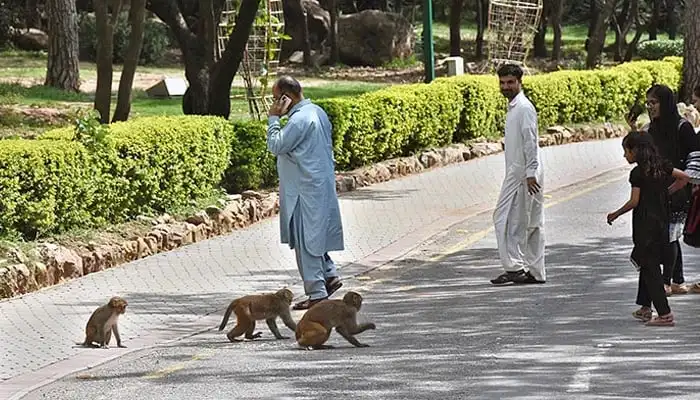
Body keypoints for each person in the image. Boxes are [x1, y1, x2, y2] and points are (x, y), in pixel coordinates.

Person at [266, 76, 344, 310]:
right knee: (316, 235)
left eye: (275, 99)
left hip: (303, 189)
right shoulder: (316, 112)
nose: (274, 103)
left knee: (305, 240)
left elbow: (276, 145)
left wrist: (273, 119)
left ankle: (317, 294)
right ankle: (329, 274)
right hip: (319, 184)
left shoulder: (300, 119)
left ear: (285, 98)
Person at [607, 131, 689, 326]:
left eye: (626, 151)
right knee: (646, 263)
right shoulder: (661, 166)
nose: (625, 156)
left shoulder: (637, 173)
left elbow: (634, 201)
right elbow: (684, 177)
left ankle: (664, 314)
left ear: (635, 151)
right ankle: (645, 307)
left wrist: (616, 213)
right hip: (661, 222)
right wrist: (666, 193)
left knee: (650, 267)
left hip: (644, 225)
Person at [628, 84, 700, 295]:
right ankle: (677, 281)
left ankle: (667, 281)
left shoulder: (682, 127)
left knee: (669, 233)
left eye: (654, 102)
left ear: (665, 103)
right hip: (658, 190)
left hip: (679, 187)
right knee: (666, 234)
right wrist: (632, 128)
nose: (651, 107)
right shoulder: (651, 129)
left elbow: (694, 156)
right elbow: (642, 154)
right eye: (648, 103)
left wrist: (688, 182)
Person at [490, 64, 546, 285]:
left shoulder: (523, 108)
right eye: (502, 83)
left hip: (525, 174)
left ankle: (516, 268)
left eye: (510, 82)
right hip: (520, 171)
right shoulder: (515, 107)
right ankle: (532, 271)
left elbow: (530, 141)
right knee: (527, 221)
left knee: (508, 219)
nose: (506, 87)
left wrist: (531, 172)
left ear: (520, 82)